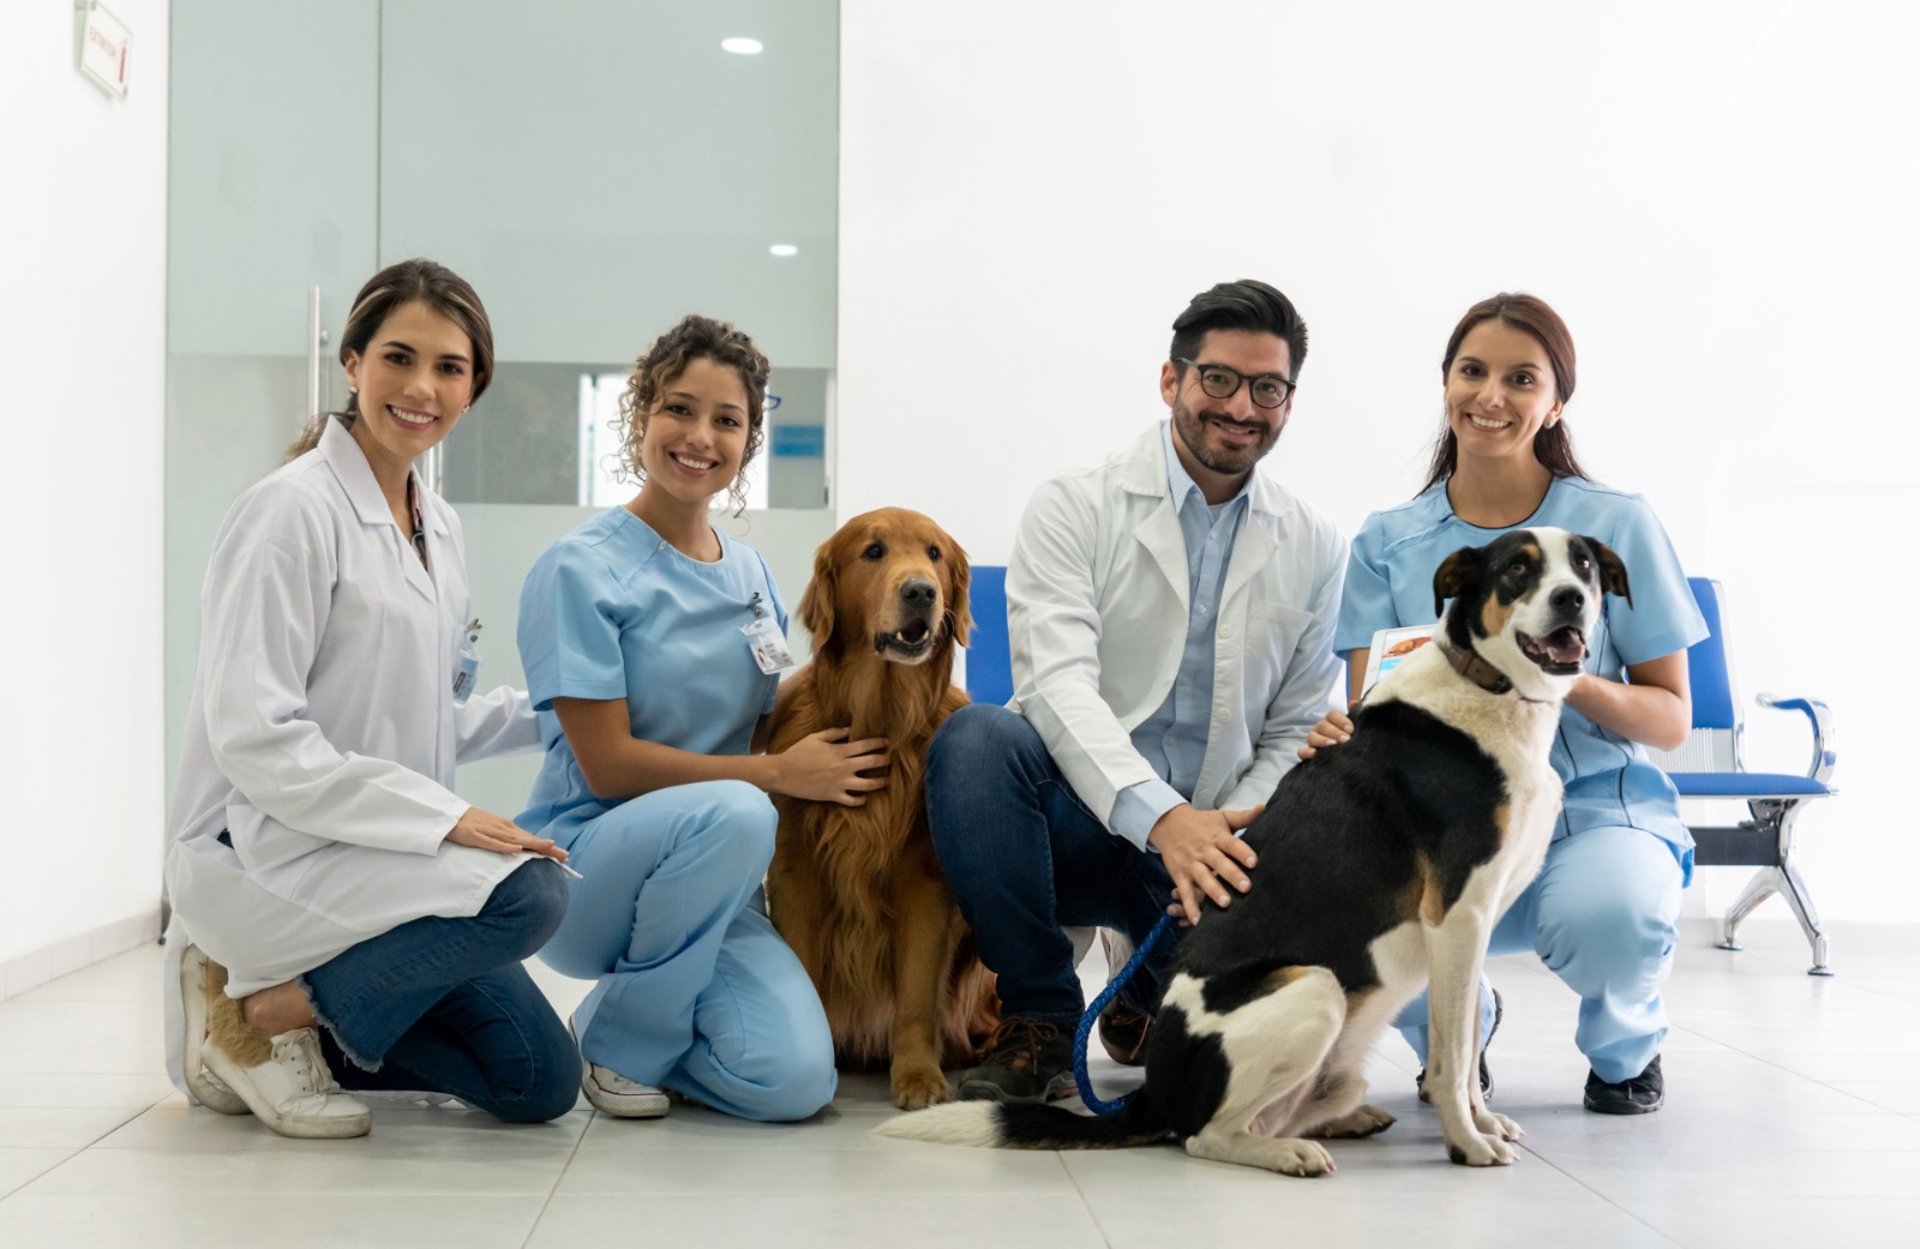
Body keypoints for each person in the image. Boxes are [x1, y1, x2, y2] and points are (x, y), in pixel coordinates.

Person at [164, 259, 579, 1138]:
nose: (421, 387)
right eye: (399, 357)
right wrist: (446, 819)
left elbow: (427, 714)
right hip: (266, 850)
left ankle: (303, 1007)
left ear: (474, 389)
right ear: (352, 362)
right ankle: (255, 1015)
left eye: (450, 368)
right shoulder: (289, 514)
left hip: (376, 860)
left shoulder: (440, 522)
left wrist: (574, 708)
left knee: (538, 1079)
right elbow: (259, 739)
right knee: (531, 894)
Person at [924, 279, 1347, 1103]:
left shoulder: (1316, 542)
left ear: (1289, 402)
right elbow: (1055, 687)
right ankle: (1042, 1018)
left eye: (1269, 387)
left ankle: (1145, 996)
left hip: (1222, 834)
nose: (1241, 406)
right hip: (1080, 822)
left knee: (1213, 1034)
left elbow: (1297, 720)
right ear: (1172, 379)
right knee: (975, 742)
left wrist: (1228, 827)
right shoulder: (1075, 503)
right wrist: (1165, 819)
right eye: (1218, 378)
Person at [1315, 292, 1704, 1115]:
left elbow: (1672, 717)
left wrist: (1561, 678)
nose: (1491, 396)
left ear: (1555, 401)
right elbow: (1371, 710)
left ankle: (1626, 1047)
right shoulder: (1390, 541)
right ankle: (1460, 1036)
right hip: (1440, 823)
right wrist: (1338, 731)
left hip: (1593, 814)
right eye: (1472, 371)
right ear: (1447, 383)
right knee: (1391, 941)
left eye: (1521, 378)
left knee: (1614, 916)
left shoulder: (1616, 525)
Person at [515, 315, 862, 1123]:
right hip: (585, 865)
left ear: (750, 439)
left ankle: (630, 1014)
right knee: (743, 811)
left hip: (716, 876)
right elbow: (608, 764)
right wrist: (775, 776)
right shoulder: (580, 567)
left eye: (728, 420)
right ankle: (621, 1045)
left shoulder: (749, 573)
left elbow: (774, 701)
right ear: (641, 417)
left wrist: (875, 660)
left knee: (796, 1082)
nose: (700, 436)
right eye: (679, 409)